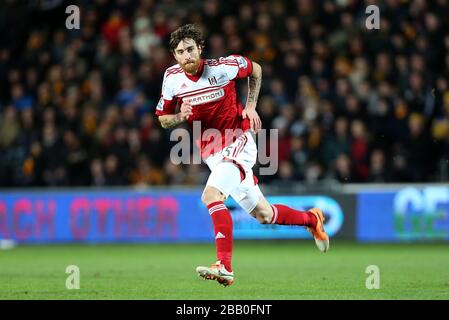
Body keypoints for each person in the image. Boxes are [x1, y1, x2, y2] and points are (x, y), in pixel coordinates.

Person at [156, 24, 329, 287]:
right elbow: (163, 120)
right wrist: (180, 116)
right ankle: (311, 219)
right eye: (180, 52)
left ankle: (224, 265)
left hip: (239, 140)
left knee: (211, 196)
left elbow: (256, 69)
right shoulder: (171, 79)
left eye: (191, 49)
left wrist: (250, 106)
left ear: (200, 49)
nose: (187, 56)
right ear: (175, 56)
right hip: (212, 153)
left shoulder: (223, 67)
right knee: (264, 214)